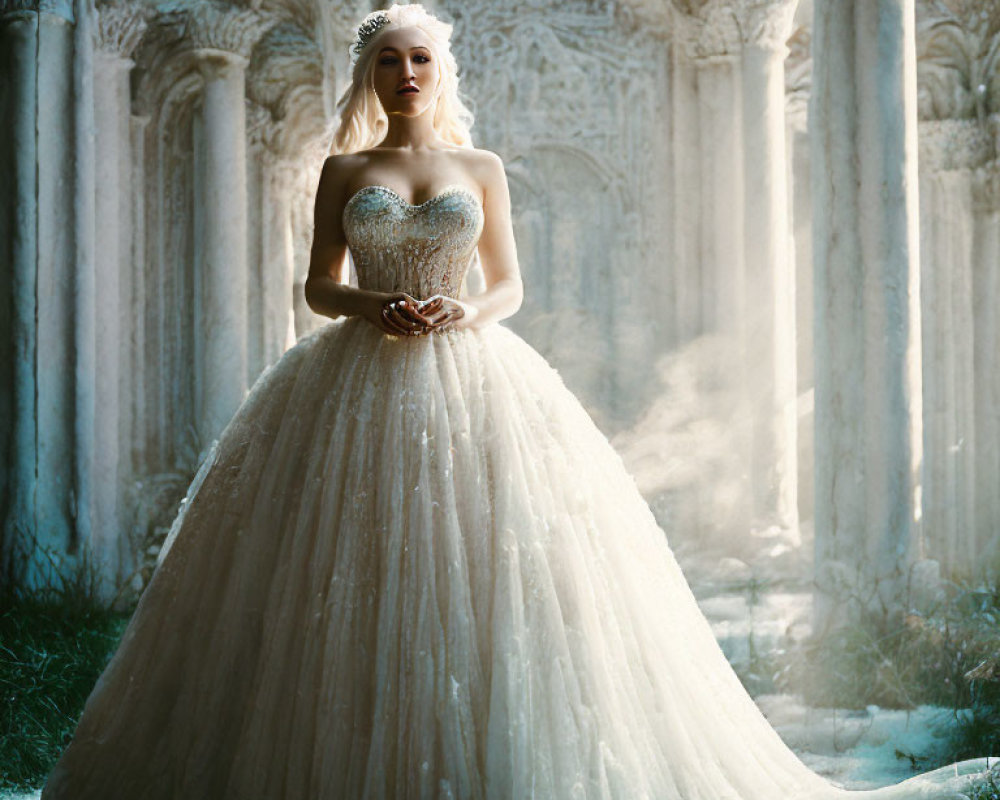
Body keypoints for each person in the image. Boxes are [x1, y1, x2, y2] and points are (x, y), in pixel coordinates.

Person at [41, 4, 995, 798]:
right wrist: (375, 302)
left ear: (438, 71)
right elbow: (317, 290)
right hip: (353, 372)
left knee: (485, 564)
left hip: (470, 373)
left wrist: (463, 309)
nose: (405, 72)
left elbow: (510, 288)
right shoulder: (346, 172)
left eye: (419, 58)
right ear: (368, 74)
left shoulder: (480, 169)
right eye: (388, 60)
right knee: (345, 560)